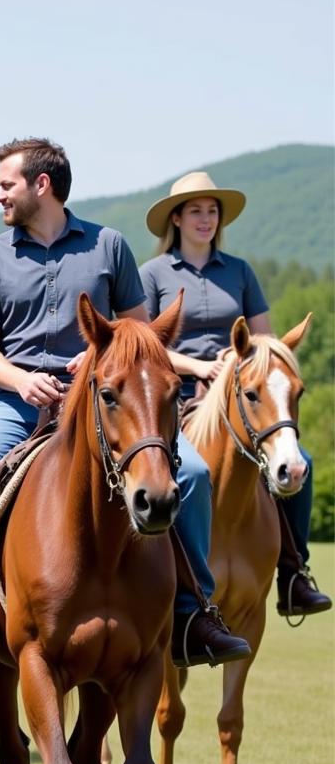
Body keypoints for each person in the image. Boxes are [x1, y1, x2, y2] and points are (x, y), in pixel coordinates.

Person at [0, 138, 251, 685]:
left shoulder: (108, 246)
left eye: (6, 184)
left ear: (40, 185)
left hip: (103, 402)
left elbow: (139, 335)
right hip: (14, 405)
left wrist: (97, 359)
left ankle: (195, 615)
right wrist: (23, 380)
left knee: (191, 472)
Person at [141, 171, 330, 619]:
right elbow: (147, 345)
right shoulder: (153, 274)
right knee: (185, 470)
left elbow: (265, 341)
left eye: (212, 212)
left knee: (301, 458)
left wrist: (246, 362)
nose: (205, 220)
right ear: (177, 219)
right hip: (179, 396)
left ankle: (293, 573)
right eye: (196, 212)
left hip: (240, 397)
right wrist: (202, 366)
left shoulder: (240, 271)